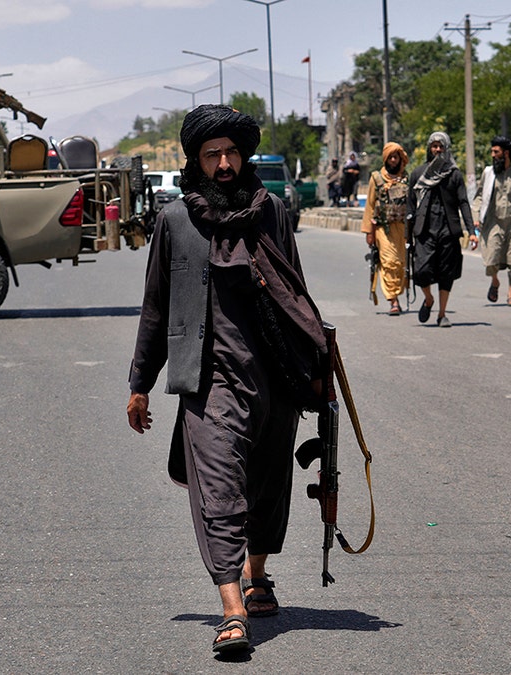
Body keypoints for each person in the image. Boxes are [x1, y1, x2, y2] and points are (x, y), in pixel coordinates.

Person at [126, 104, 328, 655]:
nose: (223, 163)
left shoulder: (274, 214)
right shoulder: (174, 222)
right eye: (212, 154)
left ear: (244, 157)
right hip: (208, 383)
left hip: (274, 377)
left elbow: (297, 293)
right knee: (219, 490)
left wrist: (317, 371)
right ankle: (233, 607)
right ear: (195, 159)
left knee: (265, 484)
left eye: (231, 152)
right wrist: (140, 382)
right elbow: (155, 307)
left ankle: (258, 572)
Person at [406, 131, 477, 327]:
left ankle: (442, 314)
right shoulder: (418, 174)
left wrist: (472, 231)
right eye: (434, 146)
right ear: (429, 148)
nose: (437, 150)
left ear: (446, 149)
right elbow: (410, 207)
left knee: (446, 273)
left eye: (441, 146)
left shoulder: (453, 174)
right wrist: (407, 237)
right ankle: (429, 300)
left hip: (448, 230)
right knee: (421, 271)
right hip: (424, 230)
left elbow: (463, 202)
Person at [473, 136, 511, 306]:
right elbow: (479, 196)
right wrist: (476, 218)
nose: (493, 155)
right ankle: (495, 282)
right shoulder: (488, 173)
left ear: (506, 153)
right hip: (493, 222)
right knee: (491, 258)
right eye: (492, 151)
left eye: (496, 152)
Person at [360, 142, 410, 315]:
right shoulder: (376, 178)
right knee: (388, 263)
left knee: (400, 264)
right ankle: (393, 300)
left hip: (402, 229)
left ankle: (396, 293)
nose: (394, 160)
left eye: (396, 157)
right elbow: (370, 205)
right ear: (386, 159)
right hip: (383, 230)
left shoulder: (406, 178)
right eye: (391, 157)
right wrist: (368, 232)